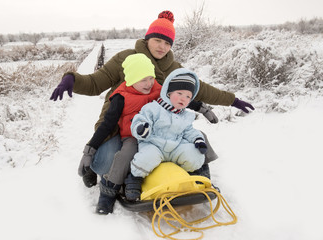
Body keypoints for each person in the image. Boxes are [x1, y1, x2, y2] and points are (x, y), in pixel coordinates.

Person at [50, 10, 254, 187]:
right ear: (148, 38)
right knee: (106, 163)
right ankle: (93, 167)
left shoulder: (174, 69)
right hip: (120, 126)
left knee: (183, 144)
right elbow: (95, 83)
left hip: (158, 127)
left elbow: (200, 90)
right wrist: (71, 79)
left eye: (167, 43)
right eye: (157, 40)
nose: (162, 47)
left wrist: (232, 100)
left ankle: (190, 176)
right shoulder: (125, 58)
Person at [78, 53, 162, 214]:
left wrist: (200, 107)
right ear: (131, 79)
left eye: (151, 78)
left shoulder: (158, 89)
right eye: (143, 79)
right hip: (132, 137)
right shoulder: (121, 97)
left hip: (156, 135)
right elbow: (106, 125)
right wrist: (89, 150)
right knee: (124, 157)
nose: (149, 83)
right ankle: (108, 193)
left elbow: (178, 95)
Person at [124, 68, 209, 201]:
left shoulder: (185, 115)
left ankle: (195, 174)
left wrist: (198, 139)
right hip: (154, 144)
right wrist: (142, 128)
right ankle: (134, 179)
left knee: (193, 154)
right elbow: (140, 120)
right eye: (179, 93)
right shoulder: (153, 108)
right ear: (168, 93)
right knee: (146, 158)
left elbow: (189, 130)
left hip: (176, 146)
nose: (183, 98)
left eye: (188, 96)